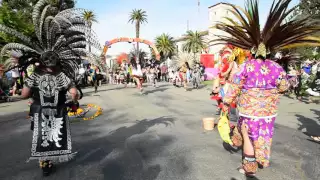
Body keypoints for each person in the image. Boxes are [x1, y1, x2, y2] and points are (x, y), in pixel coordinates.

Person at [214, 0, 320, 177]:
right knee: (263, 137)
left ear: (253, 51)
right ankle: (260, 160)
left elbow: (234, 86)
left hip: (249, 110)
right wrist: (271, 92)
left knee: (247, 135)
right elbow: (284, 86)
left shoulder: (246, 66)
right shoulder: (276, 67)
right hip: (269, 111)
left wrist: (226, 103)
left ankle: (249, 168)